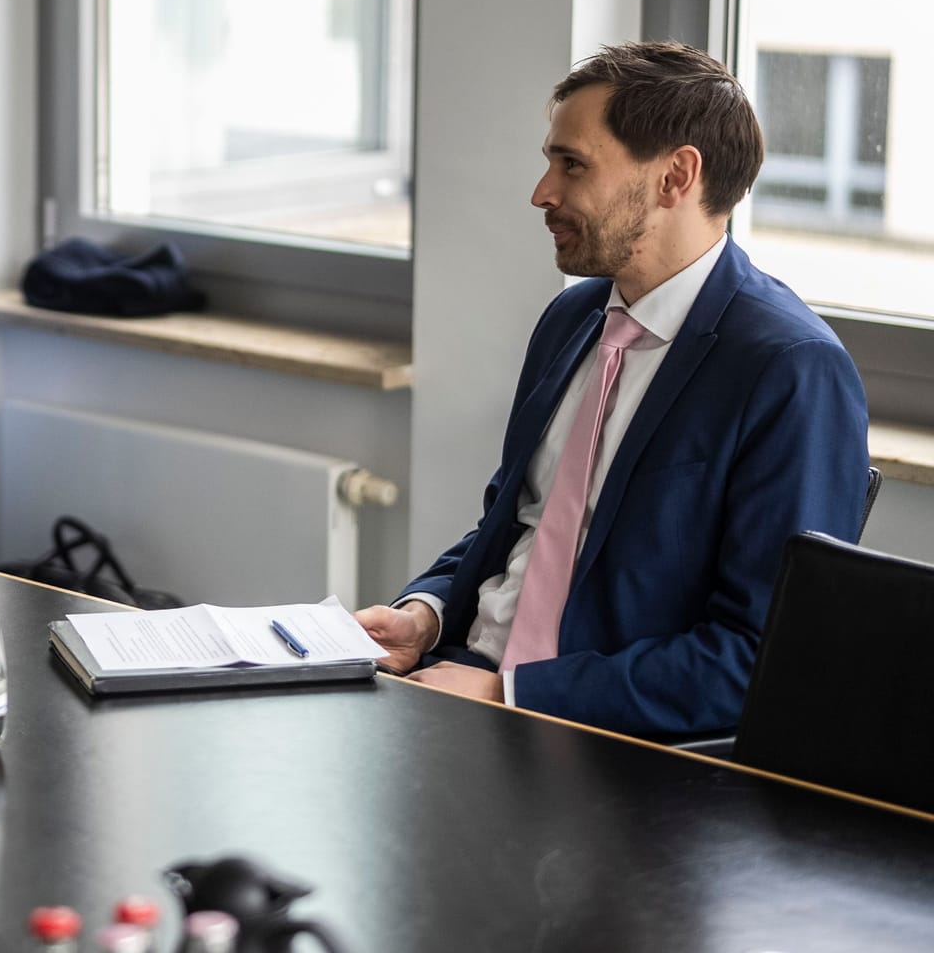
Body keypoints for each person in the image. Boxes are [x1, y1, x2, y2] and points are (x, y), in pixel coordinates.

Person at [354, 42, 868, 737]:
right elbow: (521, 532)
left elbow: (758, 658)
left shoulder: (790, 369)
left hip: (600, 743)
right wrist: (427, 613)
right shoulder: (572, 318)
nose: (543, 192)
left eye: (572, 164)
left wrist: (515, 695)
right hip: (458, 681)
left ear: (675, 176)